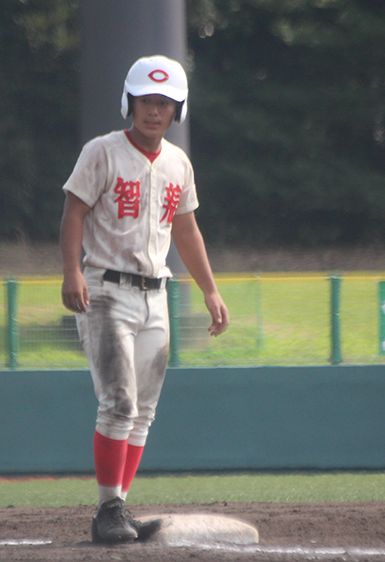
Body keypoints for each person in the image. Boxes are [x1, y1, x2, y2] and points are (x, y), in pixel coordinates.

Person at [60, 55, 230, 544]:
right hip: (107, 288)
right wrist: (72, 271)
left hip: (157, 293)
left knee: (144, 411)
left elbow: (186, 227)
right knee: (119, 401)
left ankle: (119, 506)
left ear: (178, 109)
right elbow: (73, 212)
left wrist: (209, 288)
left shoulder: (178, 162)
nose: (153, 111)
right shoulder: (102, 152)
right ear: (128, 103)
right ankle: (107, 509)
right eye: (145, 101)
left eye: (163, 103)